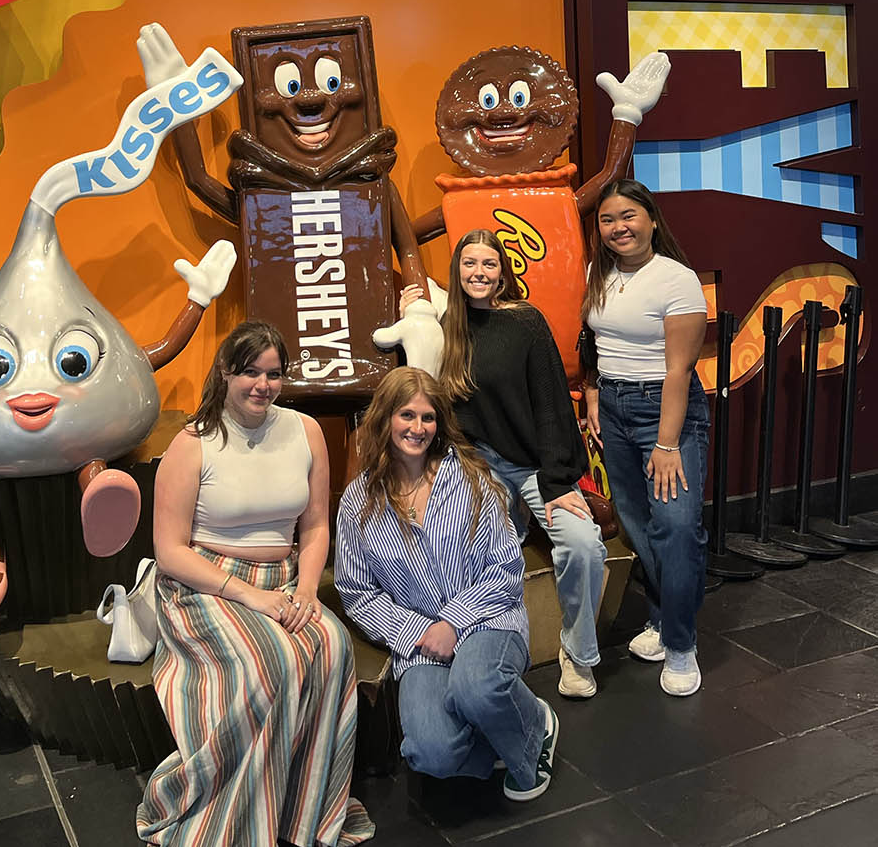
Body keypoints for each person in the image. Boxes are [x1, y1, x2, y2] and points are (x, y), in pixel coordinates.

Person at [137, 320, 373, 847]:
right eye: (250, 372)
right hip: (206, 584)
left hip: (285, 578)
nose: (263, 385)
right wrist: (252, 597)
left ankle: (300, 809)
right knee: (278, 660)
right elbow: (170, 551)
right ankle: (239, 816)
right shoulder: (191, 443)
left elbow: (314, 525)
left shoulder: (305, 431)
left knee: (332, 646)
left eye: (274, 374)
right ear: (225, 371)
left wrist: (308, 591)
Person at [335, 366, 558, 802]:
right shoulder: (357, 501)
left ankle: (534, 731)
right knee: (428, 753)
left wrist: (454, 621)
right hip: (419, 643)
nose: (418, 428)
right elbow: (357, 592)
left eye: (428, 417)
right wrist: (418, 632)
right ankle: (499, 731)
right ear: (384, 418)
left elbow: (505, 567)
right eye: (407, 415)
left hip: (488, 620)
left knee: (477, 686)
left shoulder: (473, 479)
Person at [401, 229, 606, 700]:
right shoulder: (445, 324)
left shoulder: (524, 321)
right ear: (456, 271)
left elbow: (553, 403)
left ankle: (578, 651)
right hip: (479, 466)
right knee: (479, 552)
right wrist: (413, 310)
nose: (479, 273)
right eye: (469, 264)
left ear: (502, 272)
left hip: (535, 465)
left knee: (583, 545)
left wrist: (558, 483)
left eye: (489, 264)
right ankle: (485, 648)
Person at [582, 179, 709, 697]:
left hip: (666, 409)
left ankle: (681, 643)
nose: (619, 228)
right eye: (608, 220)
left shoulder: (676, 280)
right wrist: (593, 395)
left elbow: (679, 371)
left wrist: (667, 443)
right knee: (637, 524)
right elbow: (593, 339)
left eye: (629, 216)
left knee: (676, 528)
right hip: (612, 407)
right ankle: (661, 616)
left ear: (652, 219)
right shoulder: (599, 273)